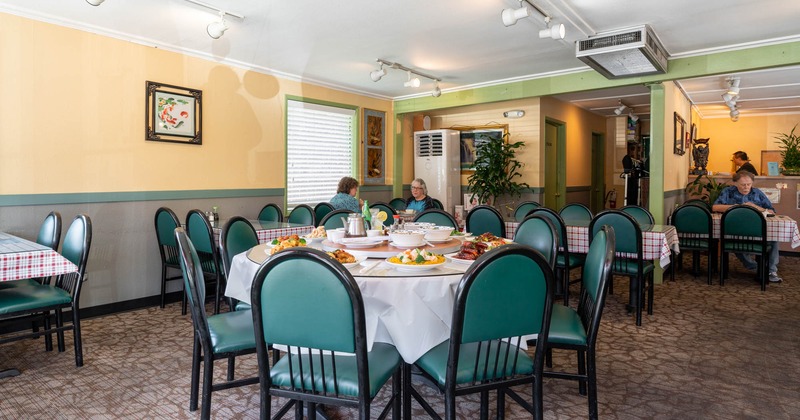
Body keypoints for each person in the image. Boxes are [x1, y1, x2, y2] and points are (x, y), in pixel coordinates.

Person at [712, 171, 781, 283]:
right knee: (734, 241)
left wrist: (756, 207)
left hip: (757, 231)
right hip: (736, 230)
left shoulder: (757, 193)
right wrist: (736, 207)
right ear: (735, 183)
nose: (746, 187)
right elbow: (715, 207)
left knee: (774, 239)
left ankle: (771, 271)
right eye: (743, 184)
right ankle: (755, 267)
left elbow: (772, 211)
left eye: (749, 184)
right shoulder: (728, 192)